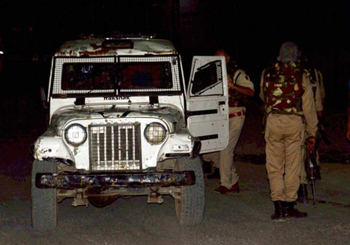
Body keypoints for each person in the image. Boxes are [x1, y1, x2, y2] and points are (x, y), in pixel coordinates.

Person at [260, 41, 318, 220]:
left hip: (273, 121)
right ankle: (289, 205)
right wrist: (312, 132)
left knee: (274, 165)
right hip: (294, 122)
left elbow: (263, 97)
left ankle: (278, 207)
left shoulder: (267, 72)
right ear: (297, 55)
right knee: (293, 166)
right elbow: (309, 107)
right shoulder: (302, 75)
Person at [202, 48, 254, 195]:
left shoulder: (238, 73)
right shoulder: (214, 75)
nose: (219, 61)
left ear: (228, 58)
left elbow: (251, 92)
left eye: (221, 58)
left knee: (226, 150)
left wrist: (233, 86)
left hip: (236, 114)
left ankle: (225, 184)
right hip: (221, 115)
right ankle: (234, 180)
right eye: (216, 58)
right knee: (215, 148)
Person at [297, 57, 325, 203]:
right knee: (305, 147)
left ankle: (313, 170)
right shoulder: (306, 74)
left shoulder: (313, 74)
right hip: (305, 115)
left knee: (308, 147)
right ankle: (306, 180)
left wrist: (319, 115)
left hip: (305, 114)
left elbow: (318, 95)